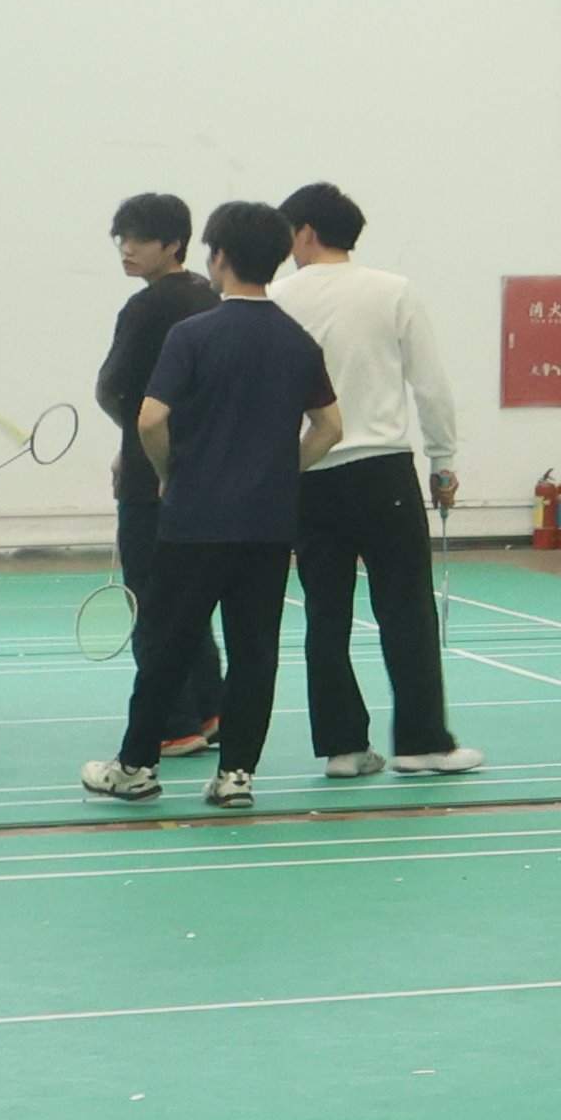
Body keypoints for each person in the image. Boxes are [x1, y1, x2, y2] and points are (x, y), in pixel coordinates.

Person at [82, 198, 337, 811]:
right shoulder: (298, 340)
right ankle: (236, 776)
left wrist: (169, 474)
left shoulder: (192, 335)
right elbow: (329, 427)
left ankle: (135, 766)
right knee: (255, 650)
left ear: (218, 257)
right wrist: (283, 472)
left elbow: (150, 419)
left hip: (195, 521)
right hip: (267, 526)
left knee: (168, 642)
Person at [271, 180, 474, 780]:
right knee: (407, 608)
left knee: (325, 615)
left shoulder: (276, 298)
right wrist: (442, 461)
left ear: (306, 232)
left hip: (310, 470)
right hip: (383, 470)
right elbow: (430, 385)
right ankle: (421, 743)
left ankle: (343, 747)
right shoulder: (393, 290)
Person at [98, 196, 217, 763]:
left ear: (173, 244)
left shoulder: (145, 308)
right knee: (193, 597)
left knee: (151, 599)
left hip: (152, 476)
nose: (127, 248)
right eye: (121, 237)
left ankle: (172, 724)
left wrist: (133, 443)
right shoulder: (211, 298)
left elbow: (113, 388)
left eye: (139, 239)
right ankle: (210, 708)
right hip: (208, 473)